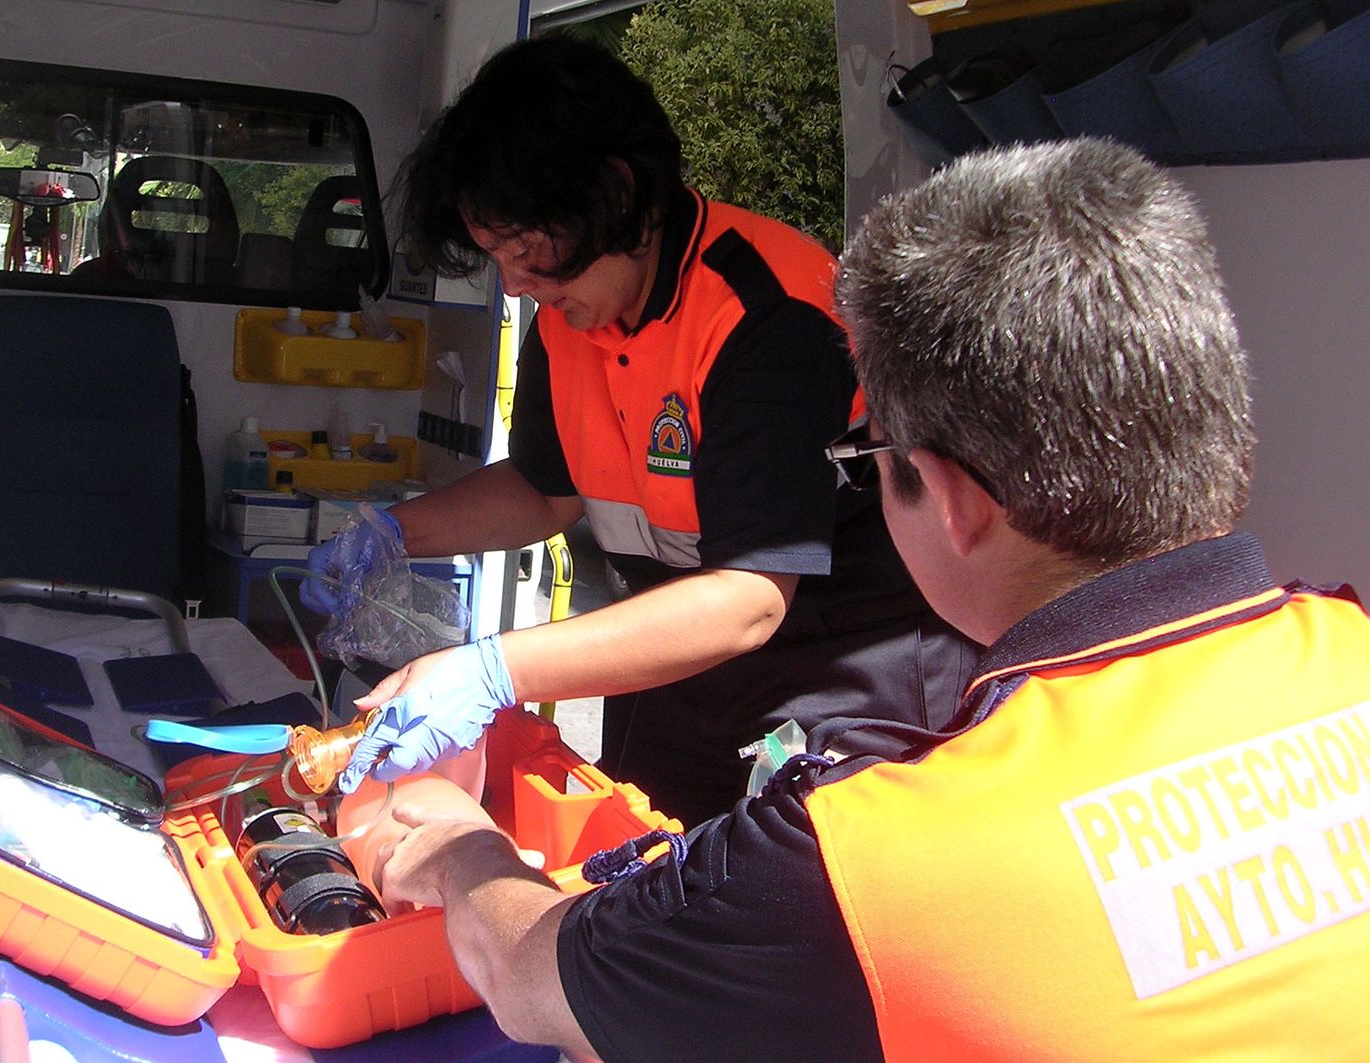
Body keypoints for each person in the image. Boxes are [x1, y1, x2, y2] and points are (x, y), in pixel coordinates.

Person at [368, 137, 1370, 1061]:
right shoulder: (1348, 643)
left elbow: (525, 973)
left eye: (865, 460)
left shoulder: (866, 851)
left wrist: (464, 851)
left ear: (947, 497)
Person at [304, 35, 974, 825]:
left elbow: (750, 599)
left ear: (618, 195)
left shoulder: (764, 315)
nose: (514, 283)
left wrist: (492, 669)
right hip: (669, 661)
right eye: (496, 256)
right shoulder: (565, 319)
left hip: (833, 679)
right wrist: (392, 531)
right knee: (638, 878)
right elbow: (544, 492)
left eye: (525, 249)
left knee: (783, 924)